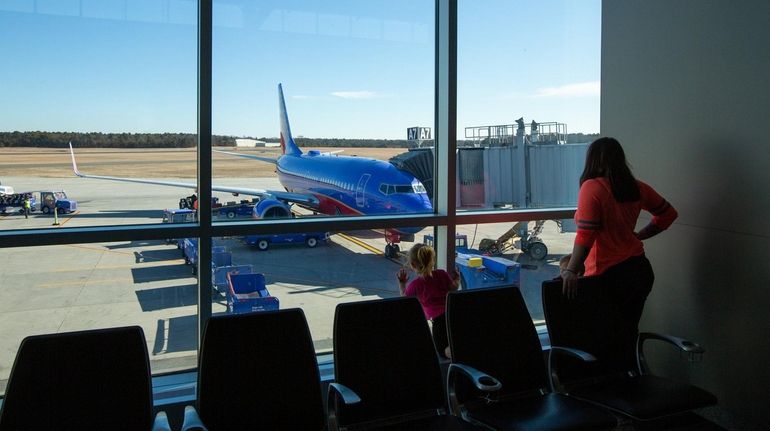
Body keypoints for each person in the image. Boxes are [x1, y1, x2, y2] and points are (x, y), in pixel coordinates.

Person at [561, 137, 678, 369]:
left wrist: (571, 270)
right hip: (638, 270)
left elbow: (586, 234)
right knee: (626, 335)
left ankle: (608, 392)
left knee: (602, 340)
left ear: (593, 160)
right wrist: (639, 236)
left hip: (607, 276)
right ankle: (629, 389)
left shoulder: (592, 187)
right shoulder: (636, 187)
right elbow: (668, 214)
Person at [397, 243, 459, 359]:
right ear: (432, 260)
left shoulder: (415, 285)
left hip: (439, 321)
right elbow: (453, 289)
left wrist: (402, 284)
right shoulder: (442, 273)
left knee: (443, 350)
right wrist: (457, 279)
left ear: (412, 264)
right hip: (453, 313)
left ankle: (461, 353)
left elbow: (404, 299)